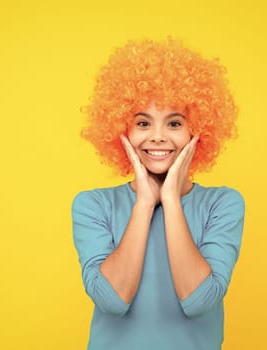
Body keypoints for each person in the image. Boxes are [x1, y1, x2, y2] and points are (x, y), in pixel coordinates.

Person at [72, 37, 245, 350]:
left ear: (198, 132)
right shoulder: (92, 205)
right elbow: (112, 300)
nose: (158, 137)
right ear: (121, 131)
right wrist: (144, 203)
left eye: (175, 123)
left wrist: (170, 201)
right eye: (142, 122)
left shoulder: (223, 204)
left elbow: (199, 300)